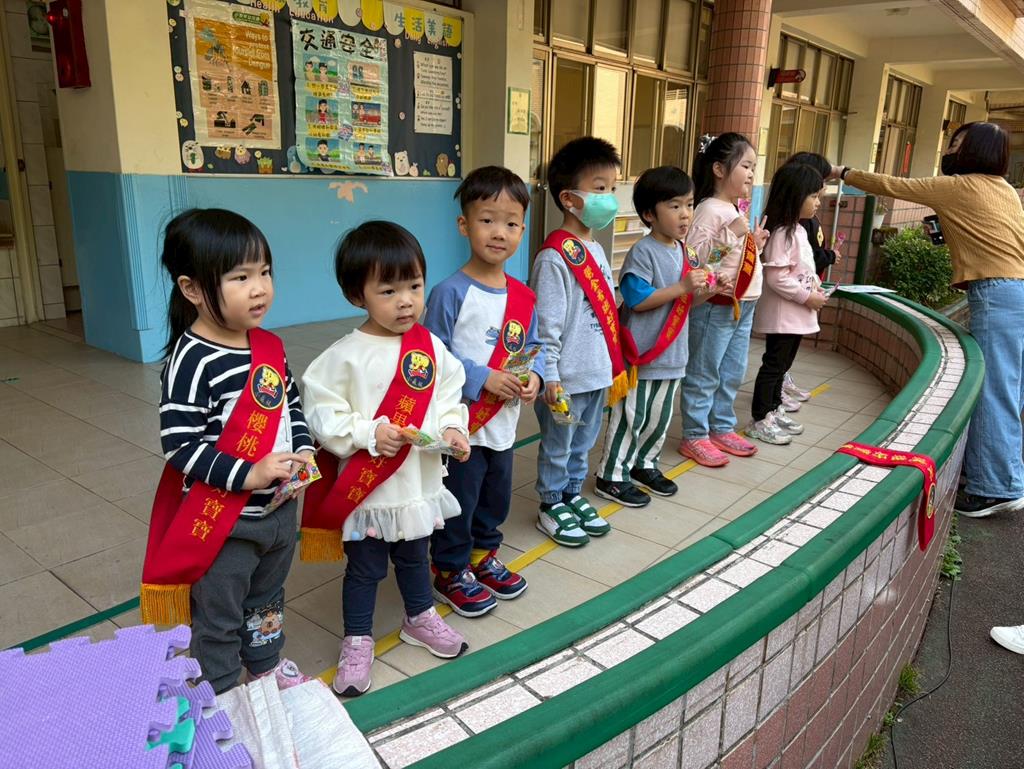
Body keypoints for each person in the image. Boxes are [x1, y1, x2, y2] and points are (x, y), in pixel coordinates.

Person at [830, 122, 1024, 649]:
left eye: (956, 142)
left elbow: (894, 186)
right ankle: (1004, 477)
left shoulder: (959, 186)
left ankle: (995, 489)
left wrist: (842, 171)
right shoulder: (1003, 189)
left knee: (995, 390)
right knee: (1009, 388)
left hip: (998, 292)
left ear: (973, 151)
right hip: (1016, 291)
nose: (949, 148)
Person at [144, 208, 314, 694]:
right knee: (218, 613)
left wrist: (303, 448)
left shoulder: (270, 346)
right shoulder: (191, 360)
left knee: (266, 598)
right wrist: (249, 474)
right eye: (241, 277)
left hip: (279, 509)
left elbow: (290, 404)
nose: (259, 289)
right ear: (193, 289)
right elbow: (180, 445)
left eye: (264, 272)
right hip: (225, 521)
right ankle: (218, 689)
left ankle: (264, 664)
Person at [300, 221, 472, 698]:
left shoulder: (430, 346)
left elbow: (449, 392)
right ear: (357, 295)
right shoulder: (343, 356)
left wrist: (453, 427)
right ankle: (357, 639)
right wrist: (367, 432)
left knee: (416, 558)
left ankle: (419, 616)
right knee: (365, 569)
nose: (405, 302)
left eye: (414, 286)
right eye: (388, 290)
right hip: (369, 492)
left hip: (416, 486)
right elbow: (321, 413)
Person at [423, 166, 544, 616]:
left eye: (511, 223)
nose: (499, 232)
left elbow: (534, 347)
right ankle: (449, 569)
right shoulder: (448, 292)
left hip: (504, 425)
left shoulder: (523, 296)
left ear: (522, 231)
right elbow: (431, 355)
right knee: (461, 500)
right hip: (463, 427)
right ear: (464, 224)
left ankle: (482, 556)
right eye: (487, 220)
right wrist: (481, 377)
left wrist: (535, 378)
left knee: (495, 498)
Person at [595, 166, 709, 507]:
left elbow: (685, 302)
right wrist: (682, 286)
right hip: (642, 355)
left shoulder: (686, 252)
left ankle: (644, 464)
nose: (685, 214)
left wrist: (708, 291)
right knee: (632, 417)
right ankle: (611, 475)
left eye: (689, 204)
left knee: (659, 419)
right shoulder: (643, 251)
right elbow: (637, 299)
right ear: (649, 214)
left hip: (674, 356)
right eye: (674, 206)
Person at [531, 136, 624, 546]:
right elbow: (546, 327)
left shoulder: (595, 249)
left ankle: (571, 494)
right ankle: (551, 503)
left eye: (612, 188)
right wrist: (549, 376)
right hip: (565, 378)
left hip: (596, 371)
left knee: (582, 444)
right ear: (569, 198)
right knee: (558, 445)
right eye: (600, 188)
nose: (609, 198)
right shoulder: (554, 257)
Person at [678, 133, 770, 467]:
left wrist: (753, 242)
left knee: (732, 371)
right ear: (719, 169)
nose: (751, 174)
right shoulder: (708, 209)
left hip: (742, 304)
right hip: (715, 305)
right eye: (745, 165)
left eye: (753, 167)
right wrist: (733, 233)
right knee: (704, 372)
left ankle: (720, 426)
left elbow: (729, 255)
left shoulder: (731, 208)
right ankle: (694, 434)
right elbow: (697, 258)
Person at [748, 163, 830, 444]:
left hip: (795, 315)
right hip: (784, 316)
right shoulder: (783, 233)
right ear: (795, 195)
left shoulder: (797, 230)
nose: (818, 202)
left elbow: (801, 268)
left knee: (782, 365)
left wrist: (815, 286)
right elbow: (776, 277)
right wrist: (807, 296)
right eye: (814, 196)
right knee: (774, 365)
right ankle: (760, 418)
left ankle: (773, 409)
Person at [778, 151, 844, 410]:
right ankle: (772, 398)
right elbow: (783, 273)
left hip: (804, 294)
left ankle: (780, 386)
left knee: (788, 350)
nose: (822, 192)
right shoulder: (791, 227)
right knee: (778, 354)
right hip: (793, 299)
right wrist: (829, 256)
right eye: (817, 189)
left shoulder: (805, 221)